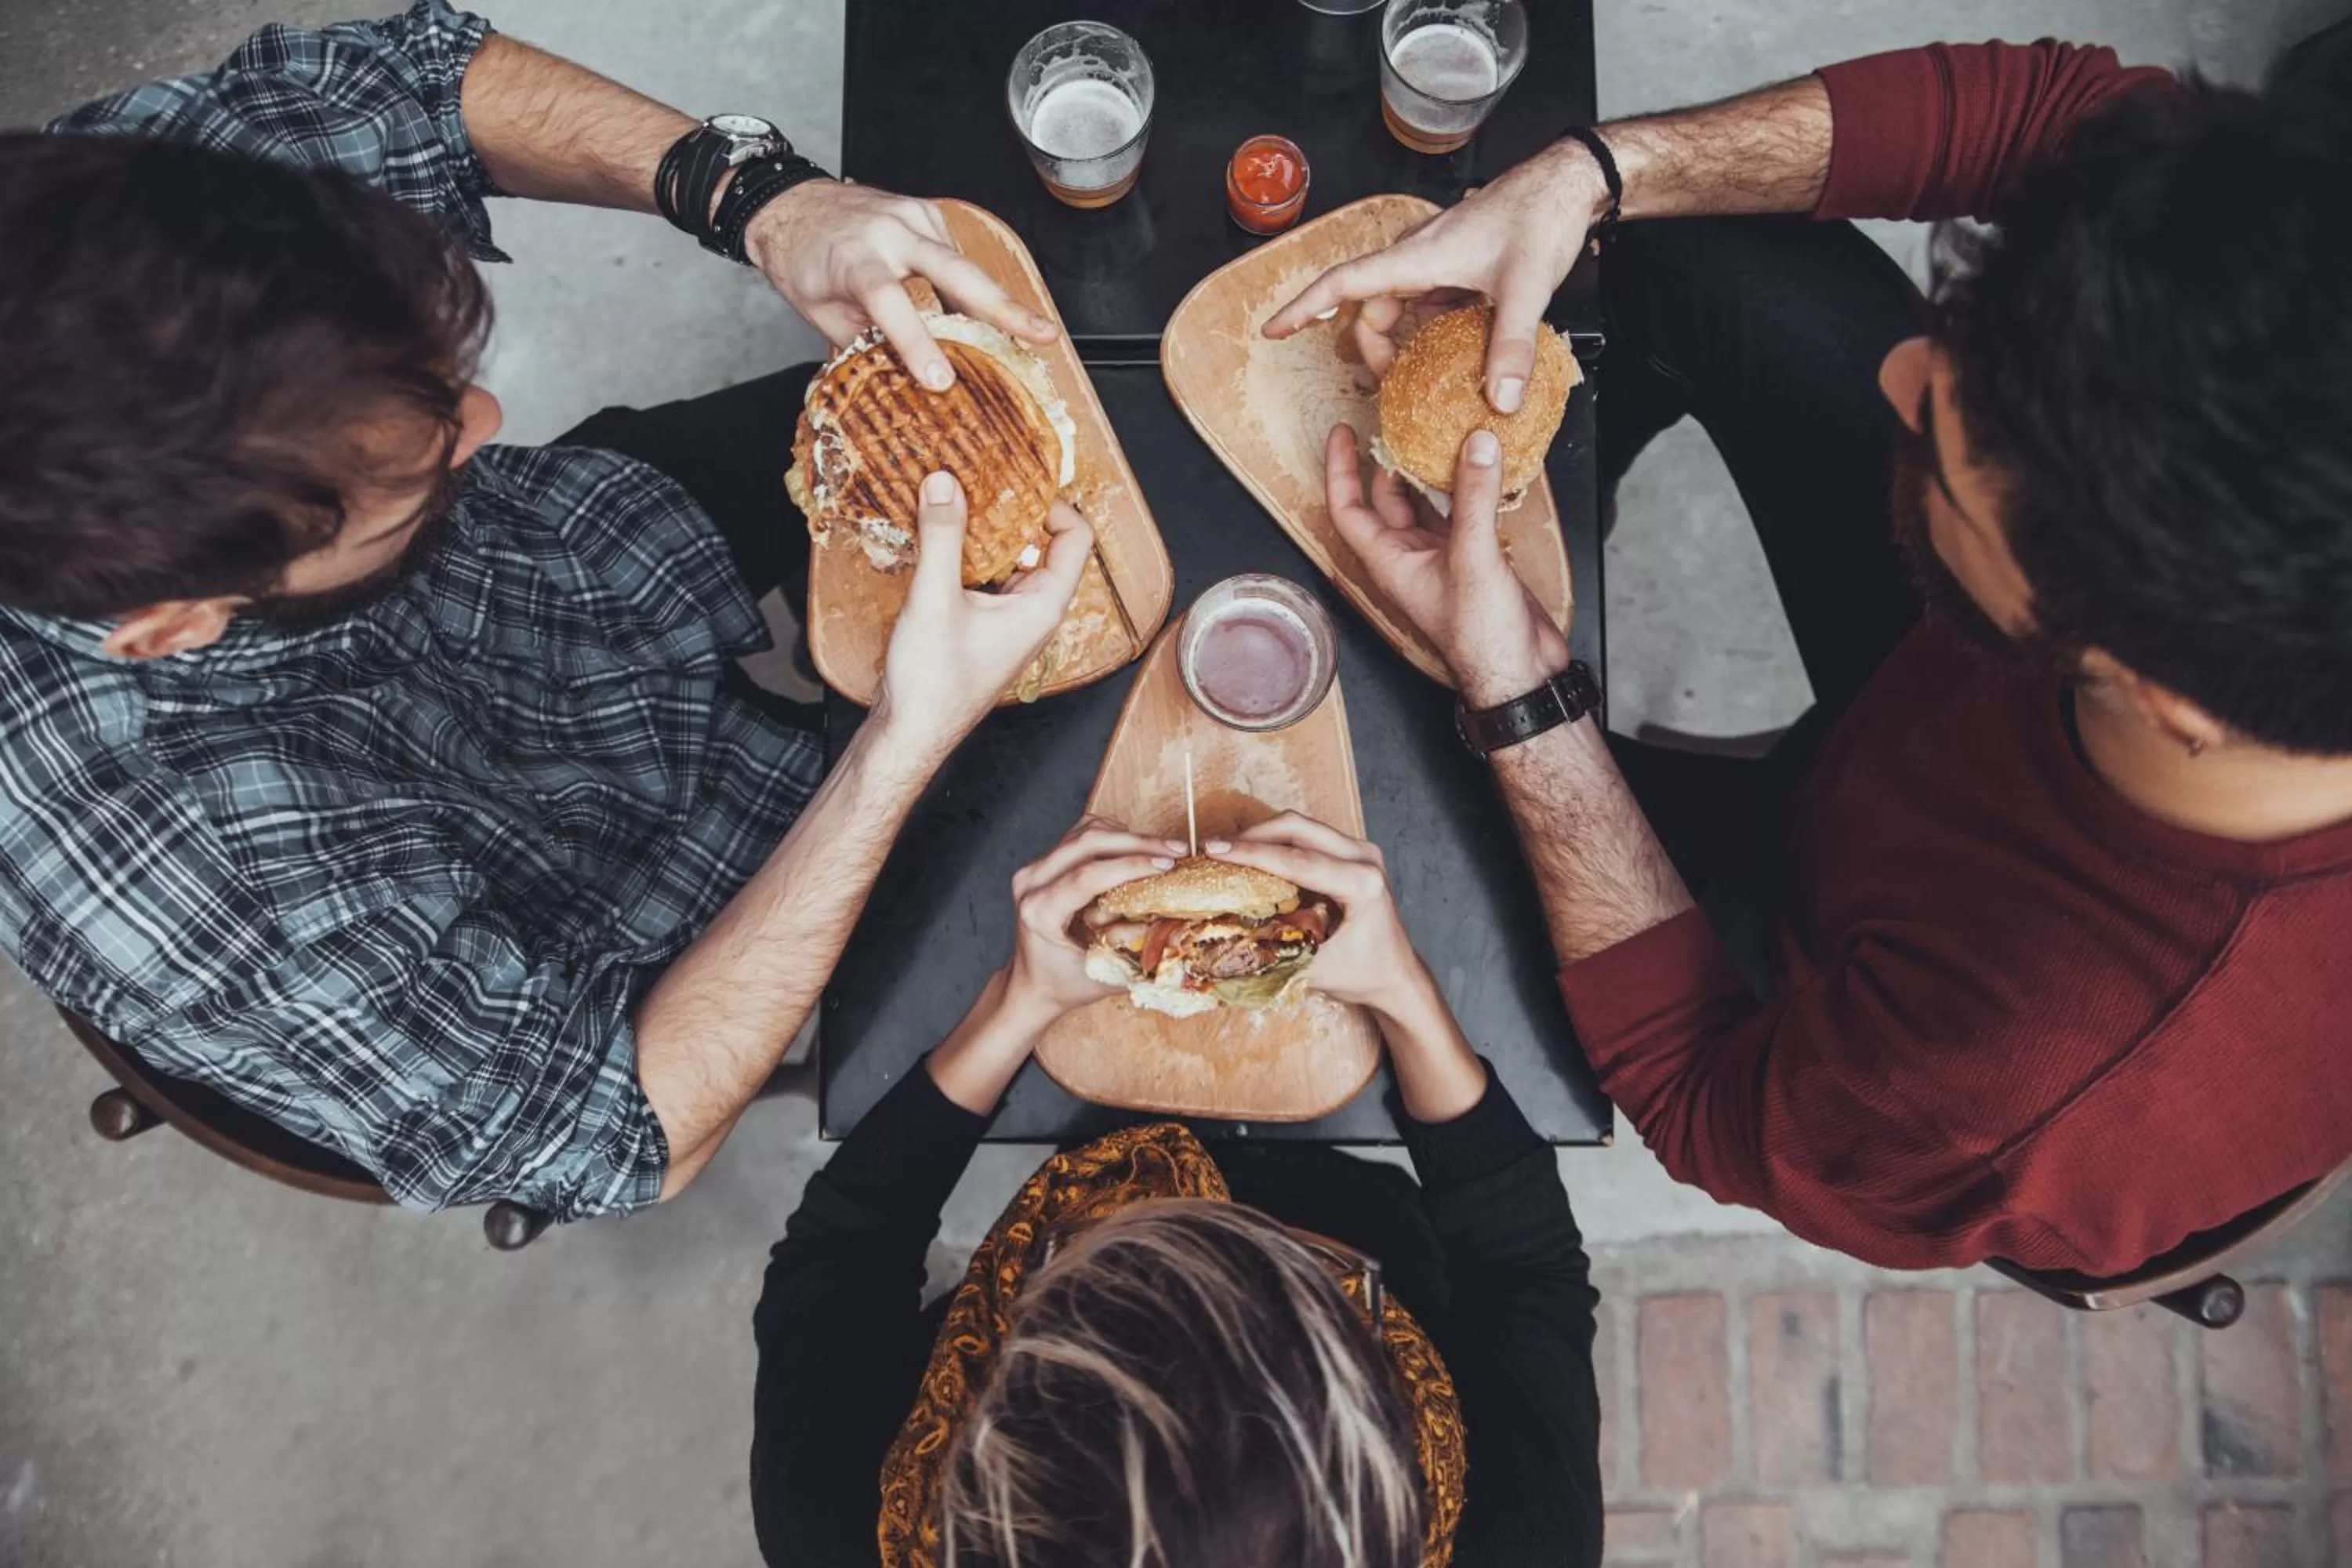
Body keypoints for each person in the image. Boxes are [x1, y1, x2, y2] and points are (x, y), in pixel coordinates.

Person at [1264, 36, 2352, 1275]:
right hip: (1955, 708)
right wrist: (1591, 174)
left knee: (1370, 749)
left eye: (1947, 443)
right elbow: (2042, 113)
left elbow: (1703, 1092)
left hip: (1834, 946)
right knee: (1686, 241)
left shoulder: (2022, 1081)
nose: (1901, 372)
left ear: (2148, 683)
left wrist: (1521, 698)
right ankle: (1548, 497)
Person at [0, 2, 1094, 1221]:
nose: (489, 426)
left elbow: (413, 80)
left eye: (445, 388)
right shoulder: (160, 875)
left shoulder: (99, 252)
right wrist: (898, 747)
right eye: (414, 468)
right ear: (177, 622)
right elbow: (627, 1130)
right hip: (637, 900)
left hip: (584, 557)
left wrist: (758, 199)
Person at [750, 817, 1602, 1568]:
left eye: (1085, 1270)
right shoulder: (1526, 1540)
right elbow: (1525, 1270)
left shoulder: (830, 1524)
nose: (1199, 1189)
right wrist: (1403, 992)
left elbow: (843, 1254)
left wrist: (1017, 1003)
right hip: (1375, 1212)